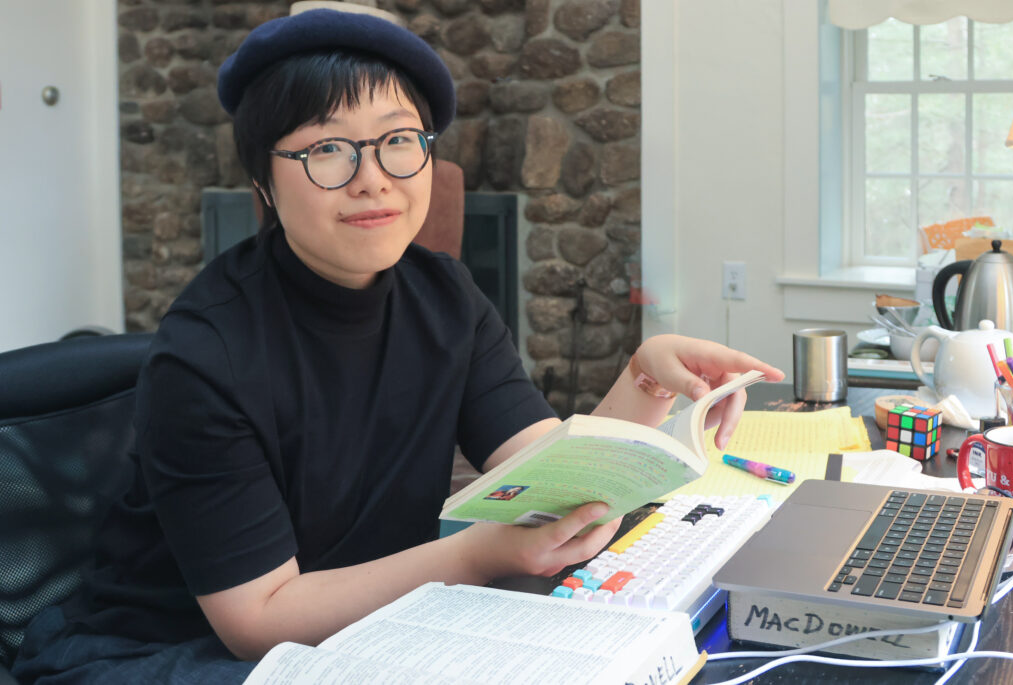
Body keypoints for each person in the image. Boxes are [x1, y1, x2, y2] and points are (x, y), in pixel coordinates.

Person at [12, 8, 784, 684]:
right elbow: (256, 616)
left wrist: (644, 379)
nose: (373, 179)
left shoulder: (443, 294)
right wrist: (478, 555)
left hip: (367, 624)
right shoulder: (205, 353)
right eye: (327, 151)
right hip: (177, 652)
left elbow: (545, 470)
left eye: (397, 142)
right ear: (263, 179)